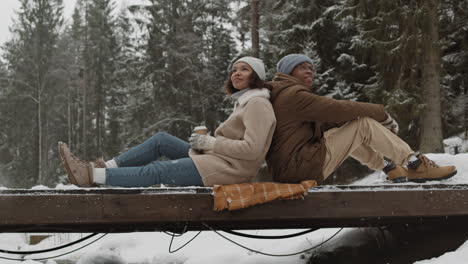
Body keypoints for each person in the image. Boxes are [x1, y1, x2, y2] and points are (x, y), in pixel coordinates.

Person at [59, 56, 276, 187]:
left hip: (230, 170)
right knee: (162, 140)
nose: (236, 74)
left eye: (244, 70)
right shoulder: (244, 101)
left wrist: (212, 143)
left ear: (256, 76)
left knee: (158, 170)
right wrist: (205, 143)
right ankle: (103, 167)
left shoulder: (257, 103)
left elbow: (253, 150)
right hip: (219, 159)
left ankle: (91, 176)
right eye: (234, 70)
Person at [266, 54, 456, 184]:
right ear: (288, 72)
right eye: (302, 67)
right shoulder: (293, 95)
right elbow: (337, 109)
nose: (309, 71)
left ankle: (390, 168)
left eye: (310, 68)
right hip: (300, 168)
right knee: (363, 124)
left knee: (349, 127)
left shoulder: (284, 95)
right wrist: (381, 113)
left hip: (292, 168)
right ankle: (415, 164)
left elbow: (329, 123)